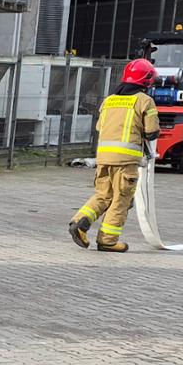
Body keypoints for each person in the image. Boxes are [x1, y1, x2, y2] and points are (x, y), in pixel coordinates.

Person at [70, 58, 160, 252]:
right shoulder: (145, 101)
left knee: (103, 195)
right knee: (121, 199)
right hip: (125, 161)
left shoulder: (109, 100)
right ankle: (108, 240)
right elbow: (152, 132)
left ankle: (79, 223)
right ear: (147, 80)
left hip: (103, 158)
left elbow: (99, 127)